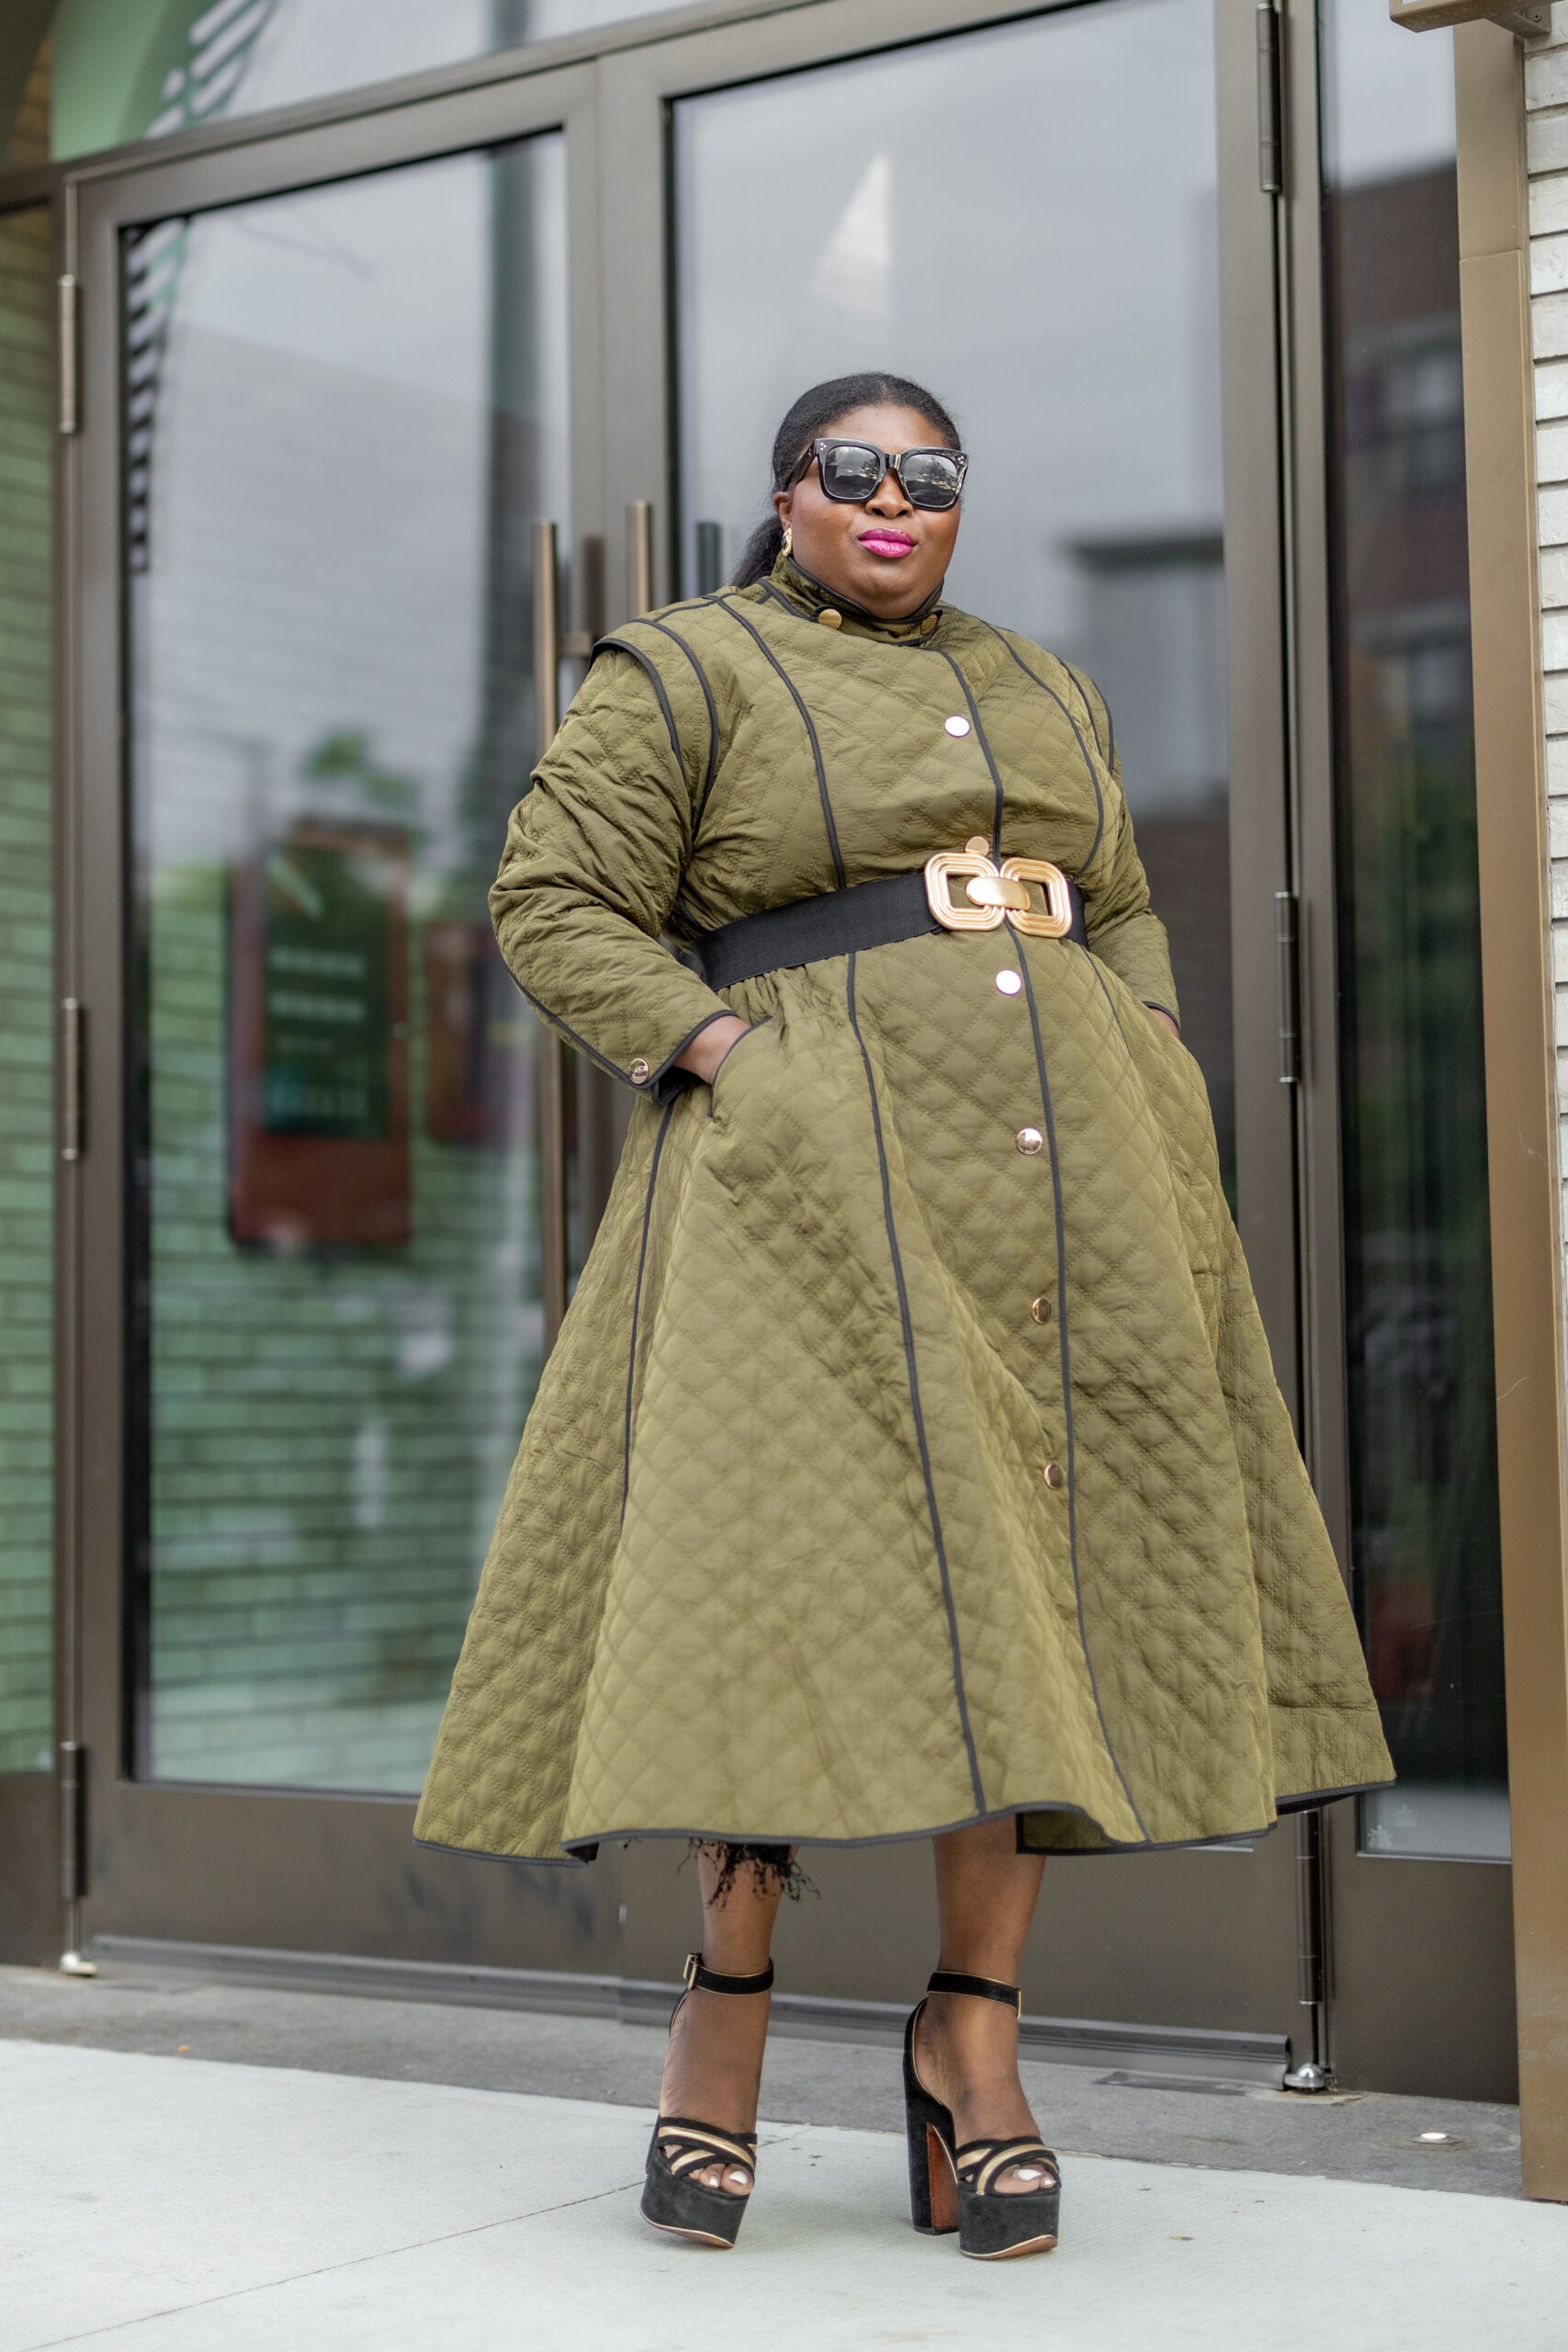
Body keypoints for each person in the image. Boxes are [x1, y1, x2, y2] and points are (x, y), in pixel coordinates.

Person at [415, 372, 1393, 2260]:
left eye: (924, 475)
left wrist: (1151, 1051)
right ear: (783, 495)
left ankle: (973, 2036)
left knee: (1036, 1579)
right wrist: (721, 1050)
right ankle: (724, 2004)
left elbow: (1109, 902)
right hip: (794, 1190)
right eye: (847, 470)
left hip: (1070, 1193)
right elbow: (551, 895)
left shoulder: (1043, 682)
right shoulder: (685, 670)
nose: (888, 497)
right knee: (767, 1574)